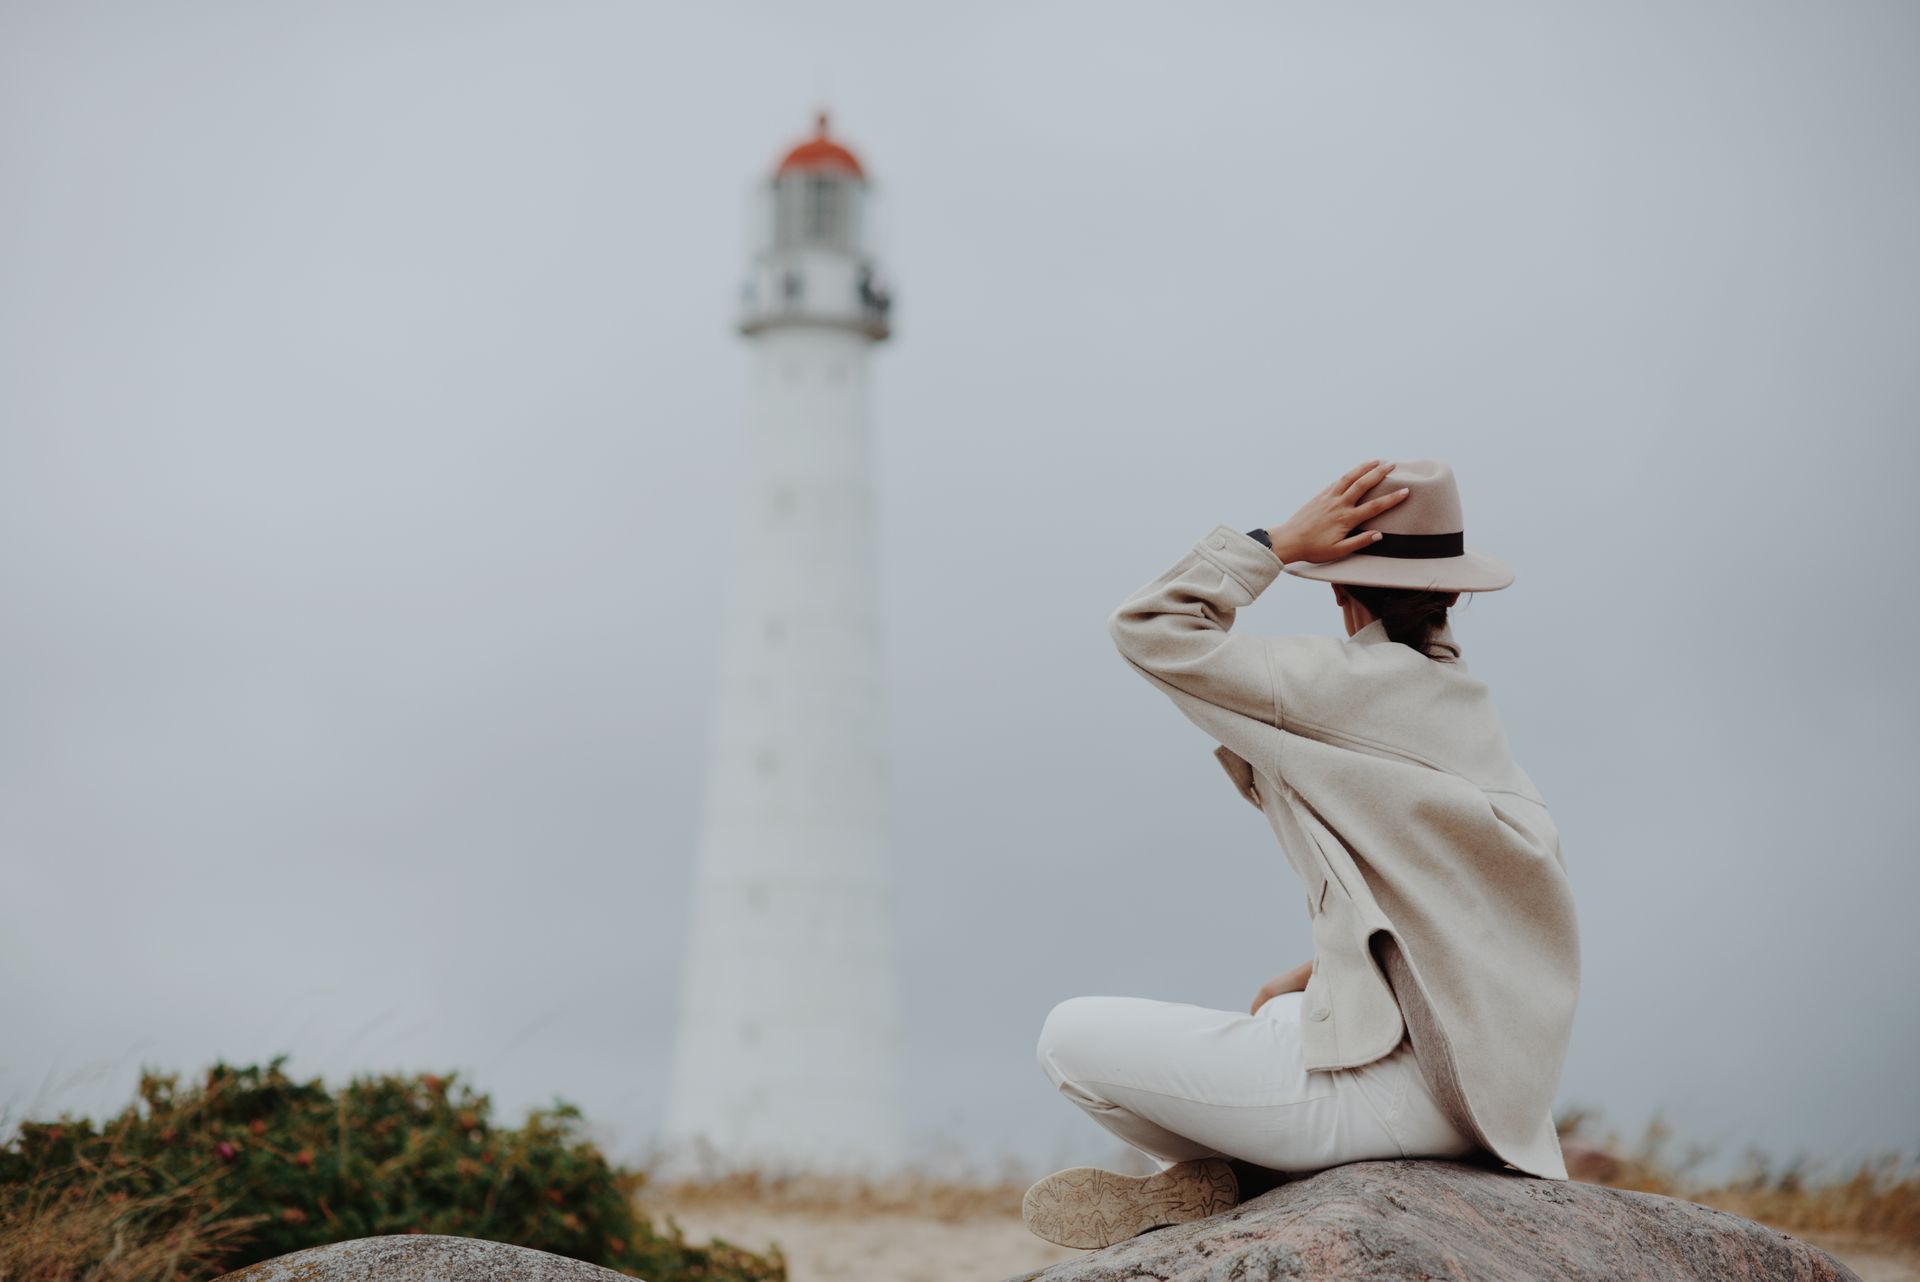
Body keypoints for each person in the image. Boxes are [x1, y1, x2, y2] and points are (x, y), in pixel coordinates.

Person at [1022, 458, 1581, 1251]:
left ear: (1338, 588)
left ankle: (1242, 1186)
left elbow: (1148, 625)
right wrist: (1326, 969)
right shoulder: (1472, 721)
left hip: (1402, 1102)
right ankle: (1233, 1181)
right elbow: (1471, 915)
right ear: (1457, 592)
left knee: (1067, 1038)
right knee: (1287, 1008)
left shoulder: (1333, 684)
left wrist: (1275, 544)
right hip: (1492, 1107)